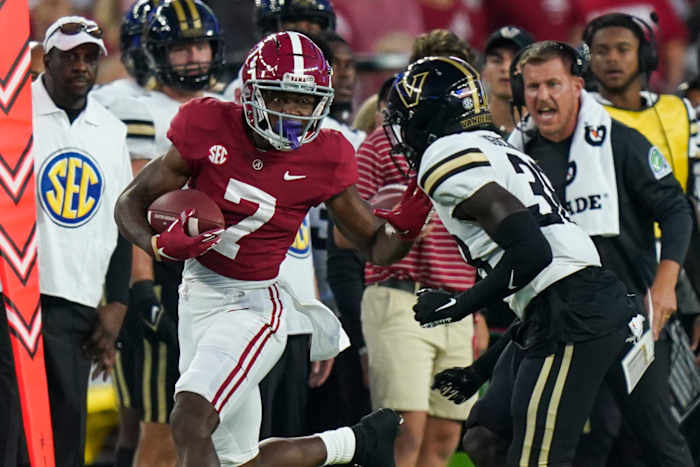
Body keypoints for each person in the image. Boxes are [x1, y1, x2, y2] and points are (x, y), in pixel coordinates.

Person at [115, 30, 430, 467]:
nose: (293, 113)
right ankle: (356, 443)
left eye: (305, 101)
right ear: (251, 93)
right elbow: (129, 202)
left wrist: (409, 222)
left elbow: (376, 247)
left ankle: (358, 442)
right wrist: (155, 245)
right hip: (196, 293)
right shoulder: (206, 124)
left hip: (256, 304)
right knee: (238, 460)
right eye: (281, 98)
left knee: (189, 420)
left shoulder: (326, 154)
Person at [381, 54, 691, 466]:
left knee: (546, 457)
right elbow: (544, 280)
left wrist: (459, 304)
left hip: (574, 310)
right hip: (577, 303)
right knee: (484, 435)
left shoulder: (445, 154)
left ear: (429, 117)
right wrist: (481, 369)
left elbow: (534, 254)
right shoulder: (499, 145)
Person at [505, 40, 694, 466]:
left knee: (657, 442)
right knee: (495, 429)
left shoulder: (619, 142)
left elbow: (676, 209)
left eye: (553, 83)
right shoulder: (514, 155)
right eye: (532, 86)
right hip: (554, 324)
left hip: (631, 317)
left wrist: (665, 285)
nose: (542, 96)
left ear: (576, 86)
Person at [338, 29, 481, 467]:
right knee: (405, 437)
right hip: (401, 296)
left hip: (459, 304)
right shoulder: (381, 142)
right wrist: (394, 229)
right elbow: (346, 235)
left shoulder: (476, 149)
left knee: (442, 441)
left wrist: (477, 310)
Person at [0, 16, 133, 467]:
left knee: (64, 435)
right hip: (11, 295)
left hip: (76, 302)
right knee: (10, 432)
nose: (81, 66)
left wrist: (117, 303)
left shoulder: (111, 130)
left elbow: (122, 221)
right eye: (70, 56)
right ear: (45, 58)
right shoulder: (11, 113)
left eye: (89, 57)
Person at [106, 1, 224, 466]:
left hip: (213, 275)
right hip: (161, 269)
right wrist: (142, 285)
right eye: (181, 48)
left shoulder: (228, 102)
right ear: (157, 52)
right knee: (155, 426)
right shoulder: (132, 106)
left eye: (200, 46)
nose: (194, 58)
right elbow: (132, 203)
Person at [581, 13, 700, 465]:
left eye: (623, 49)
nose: (611, 59)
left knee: (678, 413)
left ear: (646, 56)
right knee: (621, 419)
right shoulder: (581, 116)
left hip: (675, 263)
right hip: (614, 270)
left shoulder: (679, 111)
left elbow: (689, 205)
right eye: (602, 50)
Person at [480, 25, 534, 134]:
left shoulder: (546, 130)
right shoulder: (470, 130)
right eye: (496, 60)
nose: (506, 68)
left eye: (517, 60)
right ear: (484, 72)